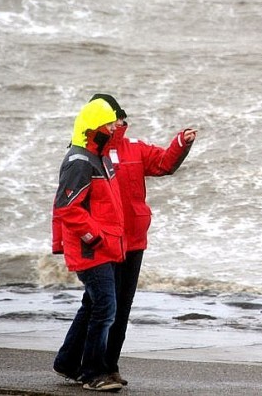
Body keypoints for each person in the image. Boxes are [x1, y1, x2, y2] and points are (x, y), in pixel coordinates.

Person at [54, 93, 197, 387]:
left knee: (110, 305)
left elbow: (164, 164)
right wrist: (76, 241)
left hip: (132, 241)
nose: (119, 122)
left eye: (119, 117)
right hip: (103, 243)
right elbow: (69, 205)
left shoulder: (134, 149)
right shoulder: (90, 157)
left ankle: (80, 362)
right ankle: (98, 368)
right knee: (104, 306)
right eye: (114, 118)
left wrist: (181, 144)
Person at [51, 98, 125, 392]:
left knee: (93, 305)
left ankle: (67, 363)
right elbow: (67, 208)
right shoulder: (80, 160)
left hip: (103, 248)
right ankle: (94, 373)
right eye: (109, 124)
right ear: (95, 127)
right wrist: (95, 237)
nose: (114, 128)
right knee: (105, 307)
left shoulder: (100, 157)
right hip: (90, 249)